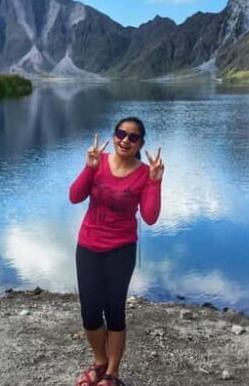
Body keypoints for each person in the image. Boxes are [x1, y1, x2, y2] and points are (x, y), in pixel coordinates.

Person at [69, 116, 164, 386]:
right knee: (89, 311)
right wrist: (89, 168)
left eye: (133, 137)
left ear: (140, 143)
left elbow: (150, 217)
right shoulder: (98, 162)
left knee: (114, 311)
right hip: (88, 244)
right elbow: (75, 196)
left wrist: (155, 182)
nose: (126, 140)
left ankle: (112, 373)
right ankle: (99, 362)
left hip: (121, 249)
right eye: (121, 134)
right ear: (114, 136)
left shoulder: (145, 173)